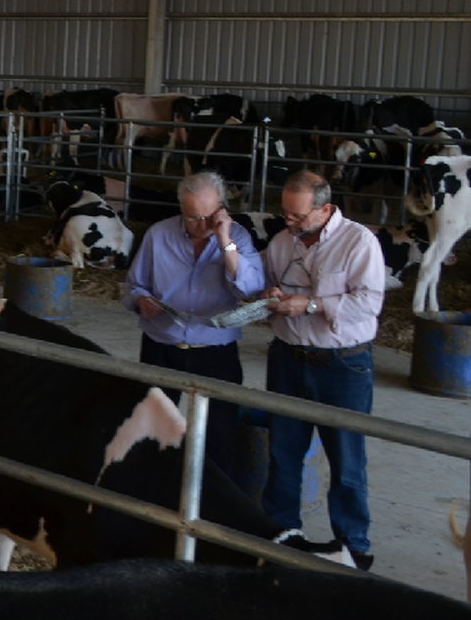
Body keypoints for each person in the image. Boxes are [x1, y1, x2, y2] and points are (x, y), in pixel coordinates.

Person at [260, 170, 384, 571]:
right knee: (283, 450)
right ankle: (282, 532)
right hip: (288, 357)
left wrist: (311, 305)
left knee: (346, 458)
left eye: (298, 216)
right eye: (285, 214)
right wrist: (271, 296)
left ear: (325, 209)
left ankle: (353, 546)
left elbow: (368, 303)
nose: (289, 223)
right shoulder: (281, 243)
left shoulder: (358, 241)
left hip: (343, 364)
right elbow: (269, 283)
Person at [122, 169, 264, 484]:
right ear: (181, 210)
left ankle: (213, 509)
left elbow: (250, 290)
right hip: (162, 346)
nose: (201, 226)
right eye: (191, 218)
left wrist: (225, 241)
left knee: (219, 434)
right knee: (152, 427)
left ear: (222, 209)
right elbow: (133, 285)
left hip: (215, 350)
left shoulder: (238, 237)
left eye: (208, 217)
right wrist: (140, 301)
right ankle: (152, 495)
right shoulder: (158, 234)